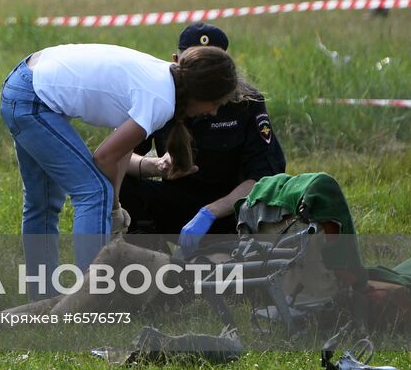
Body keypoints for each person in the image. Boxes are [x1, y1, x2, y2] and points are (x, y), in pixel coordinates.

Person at [0, 43, 246, 281]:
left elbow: (121, 151)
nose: (213, 113)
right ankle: (90, 298)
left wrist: (114, 205)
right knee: (94, 192)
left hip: (26, 82)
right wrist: (112, 205)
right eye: (215, 104)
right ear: (200, 93)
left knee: (43, 202)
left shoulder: (168, 80)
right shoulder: (161, 100)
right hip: (31, 98)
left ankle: (45, 295)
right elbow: (104, 156)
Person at [119, 22, 287, 254]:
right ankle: (156, 265)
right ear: (176, 61)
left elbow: (265, 174)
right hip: (175, 204)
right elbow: (118, 155)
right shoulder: (158, 97)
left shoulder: (247, 103)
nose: (202, 77)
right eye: (194, 65)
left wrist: (211, 212)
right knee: (120, 184)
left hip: (231, 212)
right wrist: (156, 166)